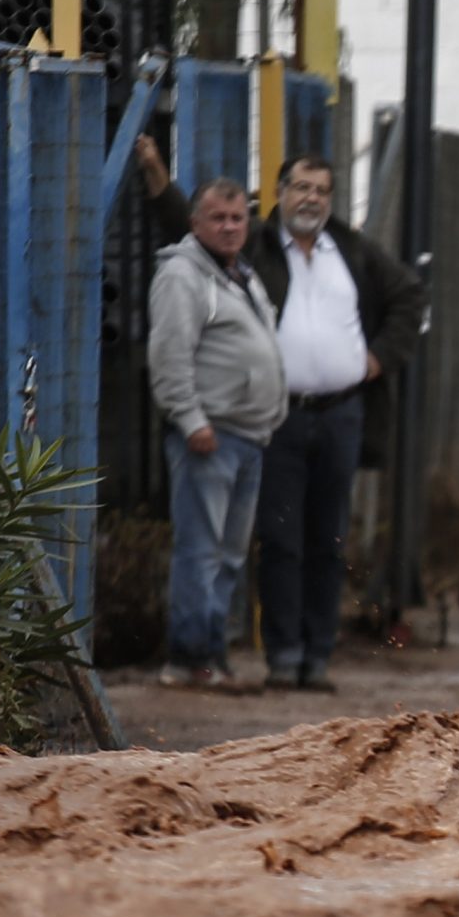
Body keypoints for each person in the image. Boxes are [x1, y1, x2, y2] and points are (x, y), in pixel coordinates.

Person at [243, 157, 426, 691]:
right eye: (302, 187)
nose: (312, 198)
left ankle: (318, 655)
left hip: (342, 413)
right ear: (280, 191)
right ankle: (283, 655)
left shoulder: (351, 251)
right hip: (279, 414)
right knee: (280, 538)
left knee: (329, 540)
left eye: (322, 190)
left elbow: (409, 295)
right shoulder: (257, 247)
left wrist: (378, 358)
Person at [148, 178, 287, 691]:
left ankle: (213, 653)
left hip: (248, 436)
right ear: (195, 223)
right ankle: (188, 659)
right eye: (218, 218)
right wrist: (191, 419)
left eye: (237, 218)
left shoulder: (240, 273)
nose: (229, 227)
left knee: (229, 555)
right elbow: (169, 354)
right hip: (210, 437)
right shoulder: (183, 275)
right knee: (201, 551)